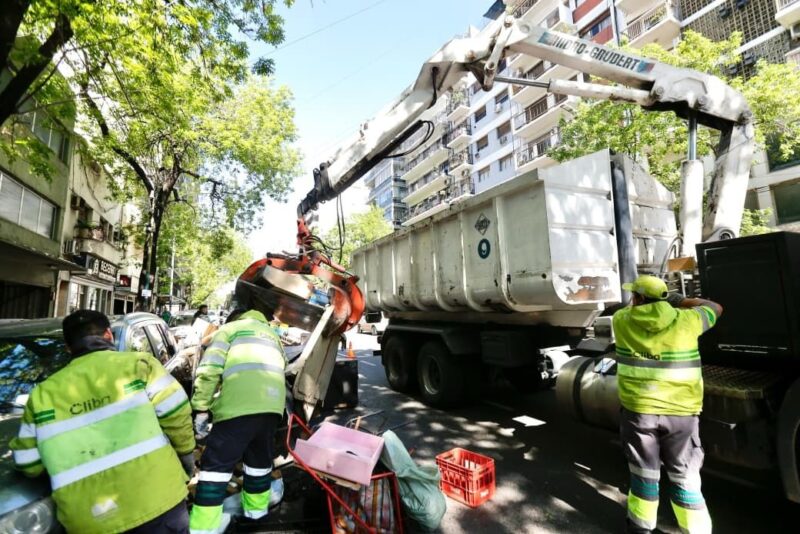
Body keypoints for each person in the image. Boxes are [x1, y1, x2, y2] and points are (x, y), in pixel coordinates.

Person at [9, 310, 196, 534]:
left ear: (68, 348)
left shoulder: (42, 395)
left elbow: (27, 463)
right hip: (160, 500)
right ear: (109, 335)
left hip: (91, 520)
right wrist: (186, 455)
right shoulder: (139, 365)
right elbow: (176, 413)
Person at [613, 275, 723, 534]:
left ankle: (640, 527)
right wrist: (680, 301)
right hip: (682, 412)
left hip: (639, 411)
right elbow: (716, 307)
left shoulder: (622, 320)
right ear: (665, 298)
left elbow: (631, 310)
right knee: (685, 476)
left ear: (637, 298)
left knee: (644, 473)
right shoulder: (689, 320)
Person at [189, 309, 286, 534]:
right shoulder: (272, 335)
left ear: (234, 319)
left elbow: (209, 370)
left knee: (216, 467)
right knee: (259, 465)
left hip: (238, 409)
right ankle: (256, 516)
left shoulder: (229, 331)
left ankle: (203, 528)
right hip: (271, 409)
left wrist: (201, 408)